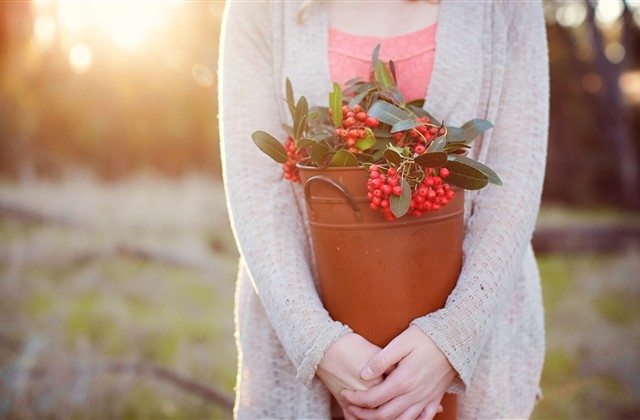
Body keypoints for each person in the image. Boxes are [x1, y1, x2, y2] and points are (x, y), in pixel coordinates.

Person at [218, 1, 549, 419]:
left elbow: (513, 175)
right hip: (305, 347)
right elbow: (255, 186)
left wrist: (452, 341)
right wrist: (319, 345)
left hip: (478, 343)